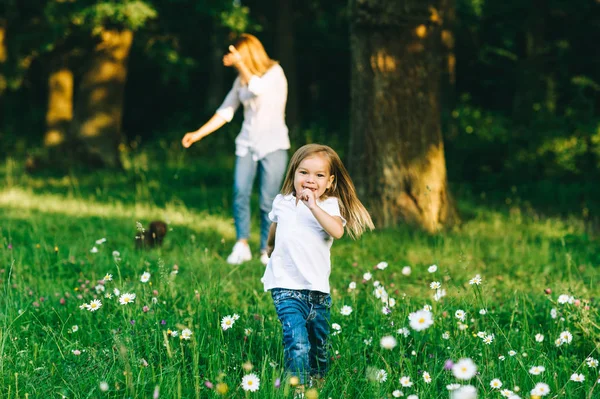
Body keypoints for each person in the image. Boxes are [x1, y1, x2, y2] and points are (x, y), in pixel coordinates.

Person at [261, 144, 374, 391]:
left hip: (317, 290)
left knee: (318, 342)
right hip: (285, 285)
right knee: (297, 341)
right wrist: (269, 246)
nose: (310, 180)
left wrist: (313, 205)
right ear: (293, 175)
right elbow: (275, 224)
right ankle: (298, 388)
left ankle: (318, 377)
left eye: (319, 175)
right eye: (303, 173)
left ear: (330, 182)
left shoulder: (330, 205)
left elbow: (337, 231)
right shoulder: (283, 201)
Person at [182, 34, 290, 265]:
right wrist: (197, 134)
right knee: (240, 192)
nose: (234, 58)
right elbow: (226, 111)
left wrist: (240, 63)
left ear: (248, 53)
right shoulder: (240, 80)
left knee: (267, 200)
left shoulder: (274, 73)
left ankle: (266, 249)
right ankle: (242, 244)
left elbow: (258, 88)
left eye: (238, 54)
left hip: (273, 144)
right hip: (247, 143)